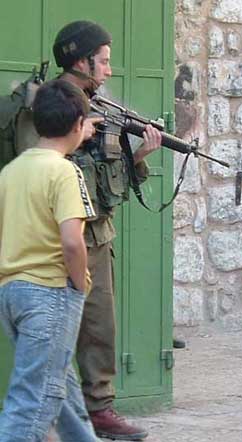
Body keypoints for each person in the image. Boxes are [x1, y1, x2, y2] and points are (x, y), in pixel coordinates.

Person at [51, 21, 162, 440]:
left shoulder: (92, 104)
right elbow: (71, 176)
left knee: (98, 327)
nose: (109, 71)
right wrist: (133, 158)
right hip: (74, 234)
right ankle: (91, 412)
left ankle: (91, 411)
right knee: (85, 328)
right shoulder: (64, 106)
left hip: (92, 233)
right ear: (82, 61)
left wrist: (137, 155)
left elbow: (96, 175)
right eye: (105, 61)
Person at [0, 80, 101, 441]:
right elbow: (72, 242)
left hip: (12, 294)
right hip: (50, 292)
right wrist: (79, 283)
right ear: (78, 125)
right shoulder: (64, 171)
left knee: (61, 387)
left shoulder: (10, 172)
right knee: (34, 400)